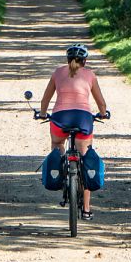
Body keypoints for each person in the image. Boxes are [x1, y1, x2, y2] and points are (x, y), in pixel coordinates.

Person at [37, 43, 108, 219]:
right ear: (85, 61)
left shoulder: (57, 73)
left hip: (60, 119)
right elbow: (101, 103)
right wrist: (103, 114)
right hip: (83, 119)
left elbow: (45, 100)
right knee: (85, 157)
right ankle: (86, 209)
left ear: (67, 59)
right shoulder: (90, 75)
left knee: (57, 144)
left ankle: (62, 173)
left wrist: (43, 114)